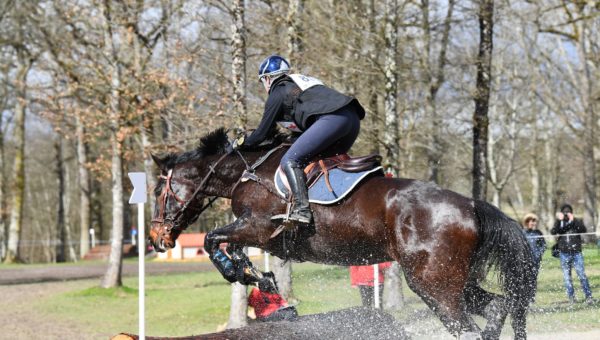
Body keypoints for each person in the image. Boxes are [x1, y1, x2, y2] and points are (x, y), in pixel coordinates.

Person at [240, 55, 366, 228]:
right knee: (325, 163)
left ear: (268, 79)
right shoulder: (301, 83)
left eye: (263, 82)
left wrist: (241, 143)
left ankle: (302, 210)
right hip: (352, 119)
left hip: (333, 119)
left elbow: (261, 134)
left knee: (290, 161)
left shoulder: (278, 91)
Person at [550, 204, 593, 305]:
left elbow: (583, 229)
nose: (566, 214)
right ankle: (571, 298)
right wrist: (559, 220)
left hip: (576, 253)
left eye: (568, 212)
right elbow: (553, 232)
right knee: (567, 278)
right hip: (564, 254)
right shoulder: (559, 223)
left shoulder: (576, 221)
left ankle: (589, 297)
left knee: (582, 275)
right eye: (564, 212)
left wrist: (574, 220)